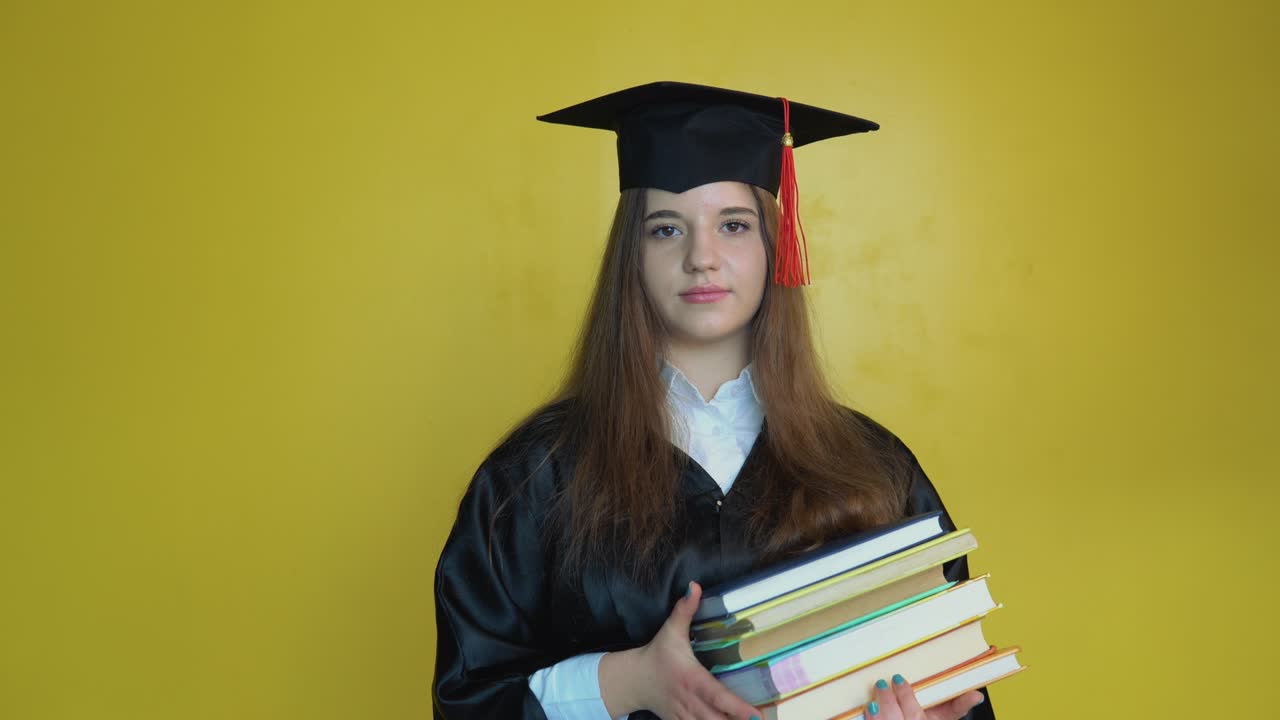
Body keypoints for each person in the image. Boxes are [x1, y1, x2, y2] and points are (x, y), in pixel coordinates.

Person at [433, 81, 996, 720]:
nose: (702, 257)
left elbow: (957, 682)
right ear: (631, 258)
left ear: (771, 248)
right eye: (666, 228)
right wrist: (628, 682)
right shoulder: (536, 475)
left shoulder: (872, 464)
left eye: (733, 225)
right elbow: (468, 700)